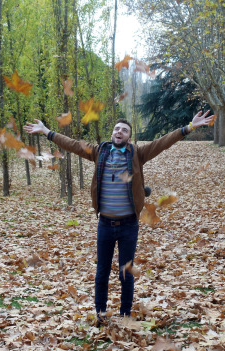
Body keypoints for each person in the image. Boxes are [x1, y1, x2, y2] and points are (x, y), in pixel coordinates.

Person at [24, 111, 214, 325]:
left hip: (128, 226)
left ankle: (125, 315)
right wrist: (47, 131)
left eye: (124, 130)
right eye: (116, 129)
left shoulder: (137, 154)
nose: (119, 132)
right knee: (102, 271)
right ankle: (100, 314)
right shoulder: (100, 152)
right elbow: (73, 144)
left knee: (126, 272)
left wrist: (189, 127)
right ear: (112, 133)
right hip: (105, 224)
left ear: (129, 137)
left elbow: (162, 143)